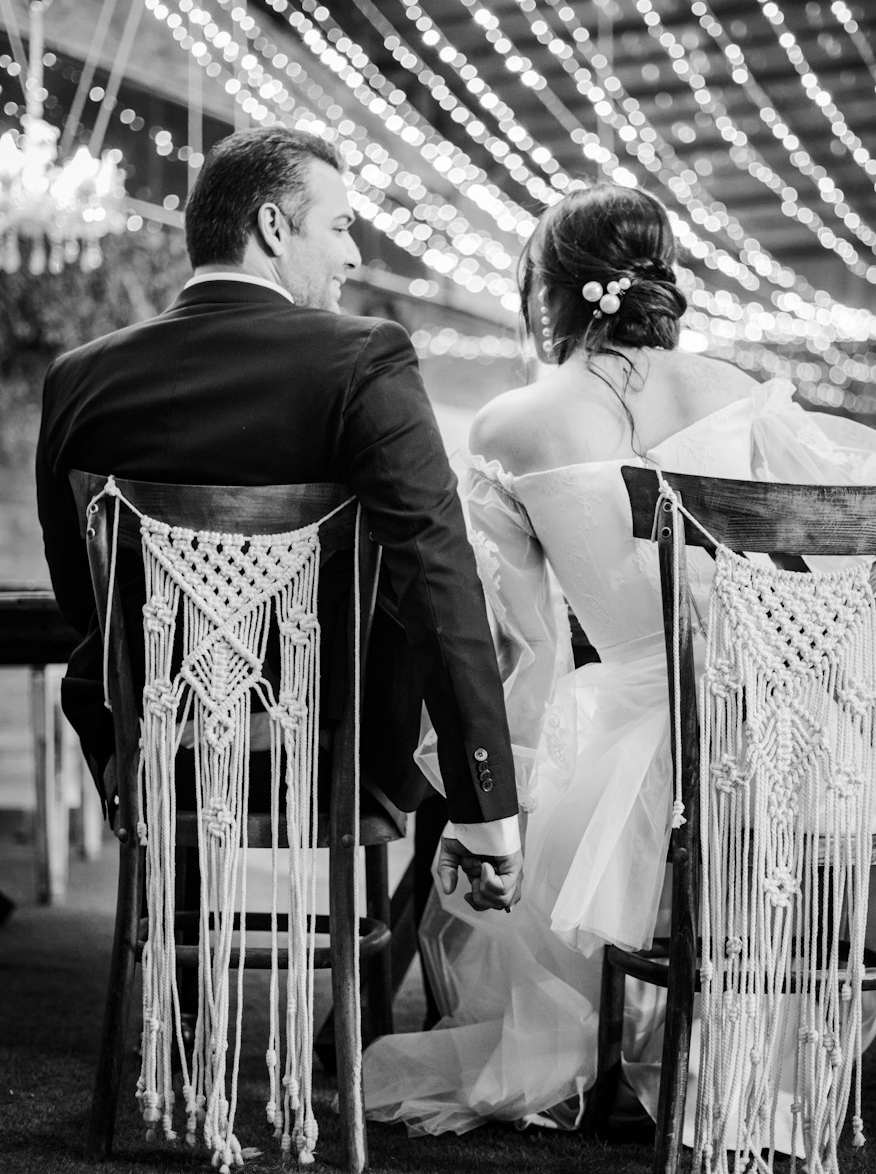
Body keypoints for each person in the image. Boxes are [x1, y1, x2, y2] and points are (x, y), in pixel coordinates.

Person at [363, 182, 876, 1145]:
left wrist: (504, 799)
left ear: (554, 290)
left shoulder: (510, 425)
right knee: (780, 792)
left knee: (579, 798)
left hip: (651, 729)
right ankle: (773, 1050)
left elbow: (521, 646)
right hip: (821, 729)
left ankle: (623, 1038)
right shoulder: (735, 392)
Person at [35, 125, 522, 913]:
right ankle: (369, 989)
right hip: (330, 756)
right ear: (271, 227)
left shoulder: (77, 378)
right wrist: (487, 807)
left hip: (153, 751)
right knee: (462, 634)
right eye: (338, 226)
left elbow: (75, 592)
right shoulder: (366, 357)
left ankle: (179, 970)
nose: (354, 254)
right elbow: (437, 574)